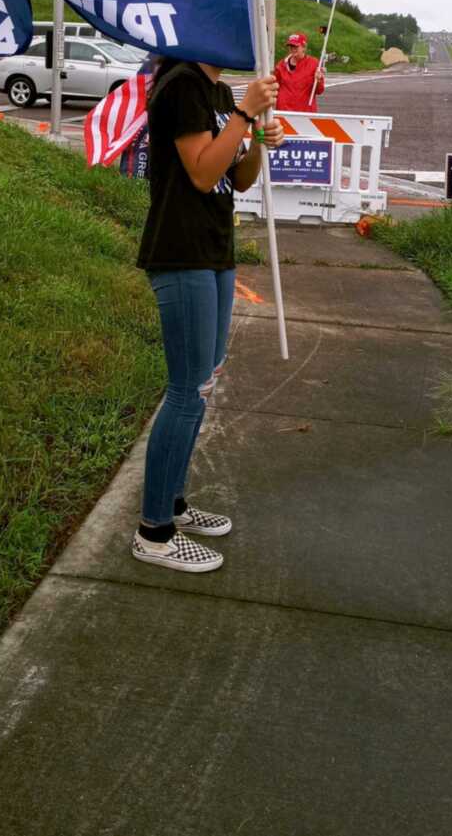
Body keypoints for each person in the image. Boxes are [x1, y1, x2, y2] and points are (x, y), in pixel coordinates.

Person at [133, 58, 285, 572]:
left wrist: (259, 137)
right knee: (186, 389)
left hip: (215, 250)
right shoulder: (182, 85)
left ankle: (173, 503)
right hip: (181, 251)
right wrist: (246, 112)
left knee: (204, 383)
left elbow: (235, 179)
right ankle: (153, 533)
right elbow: (199, 173)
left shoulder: (219, 94)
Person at [274, 32, 325, 111]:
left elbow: (319, 90)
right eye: (290, 46)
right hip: (283, 111)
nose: (292, 49)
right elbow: (275, 88)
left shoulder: (313, 63)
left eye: (296, 46)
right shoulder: (281, 65)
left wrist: (319, 80)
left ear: (304, 47)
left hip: (304, 112)